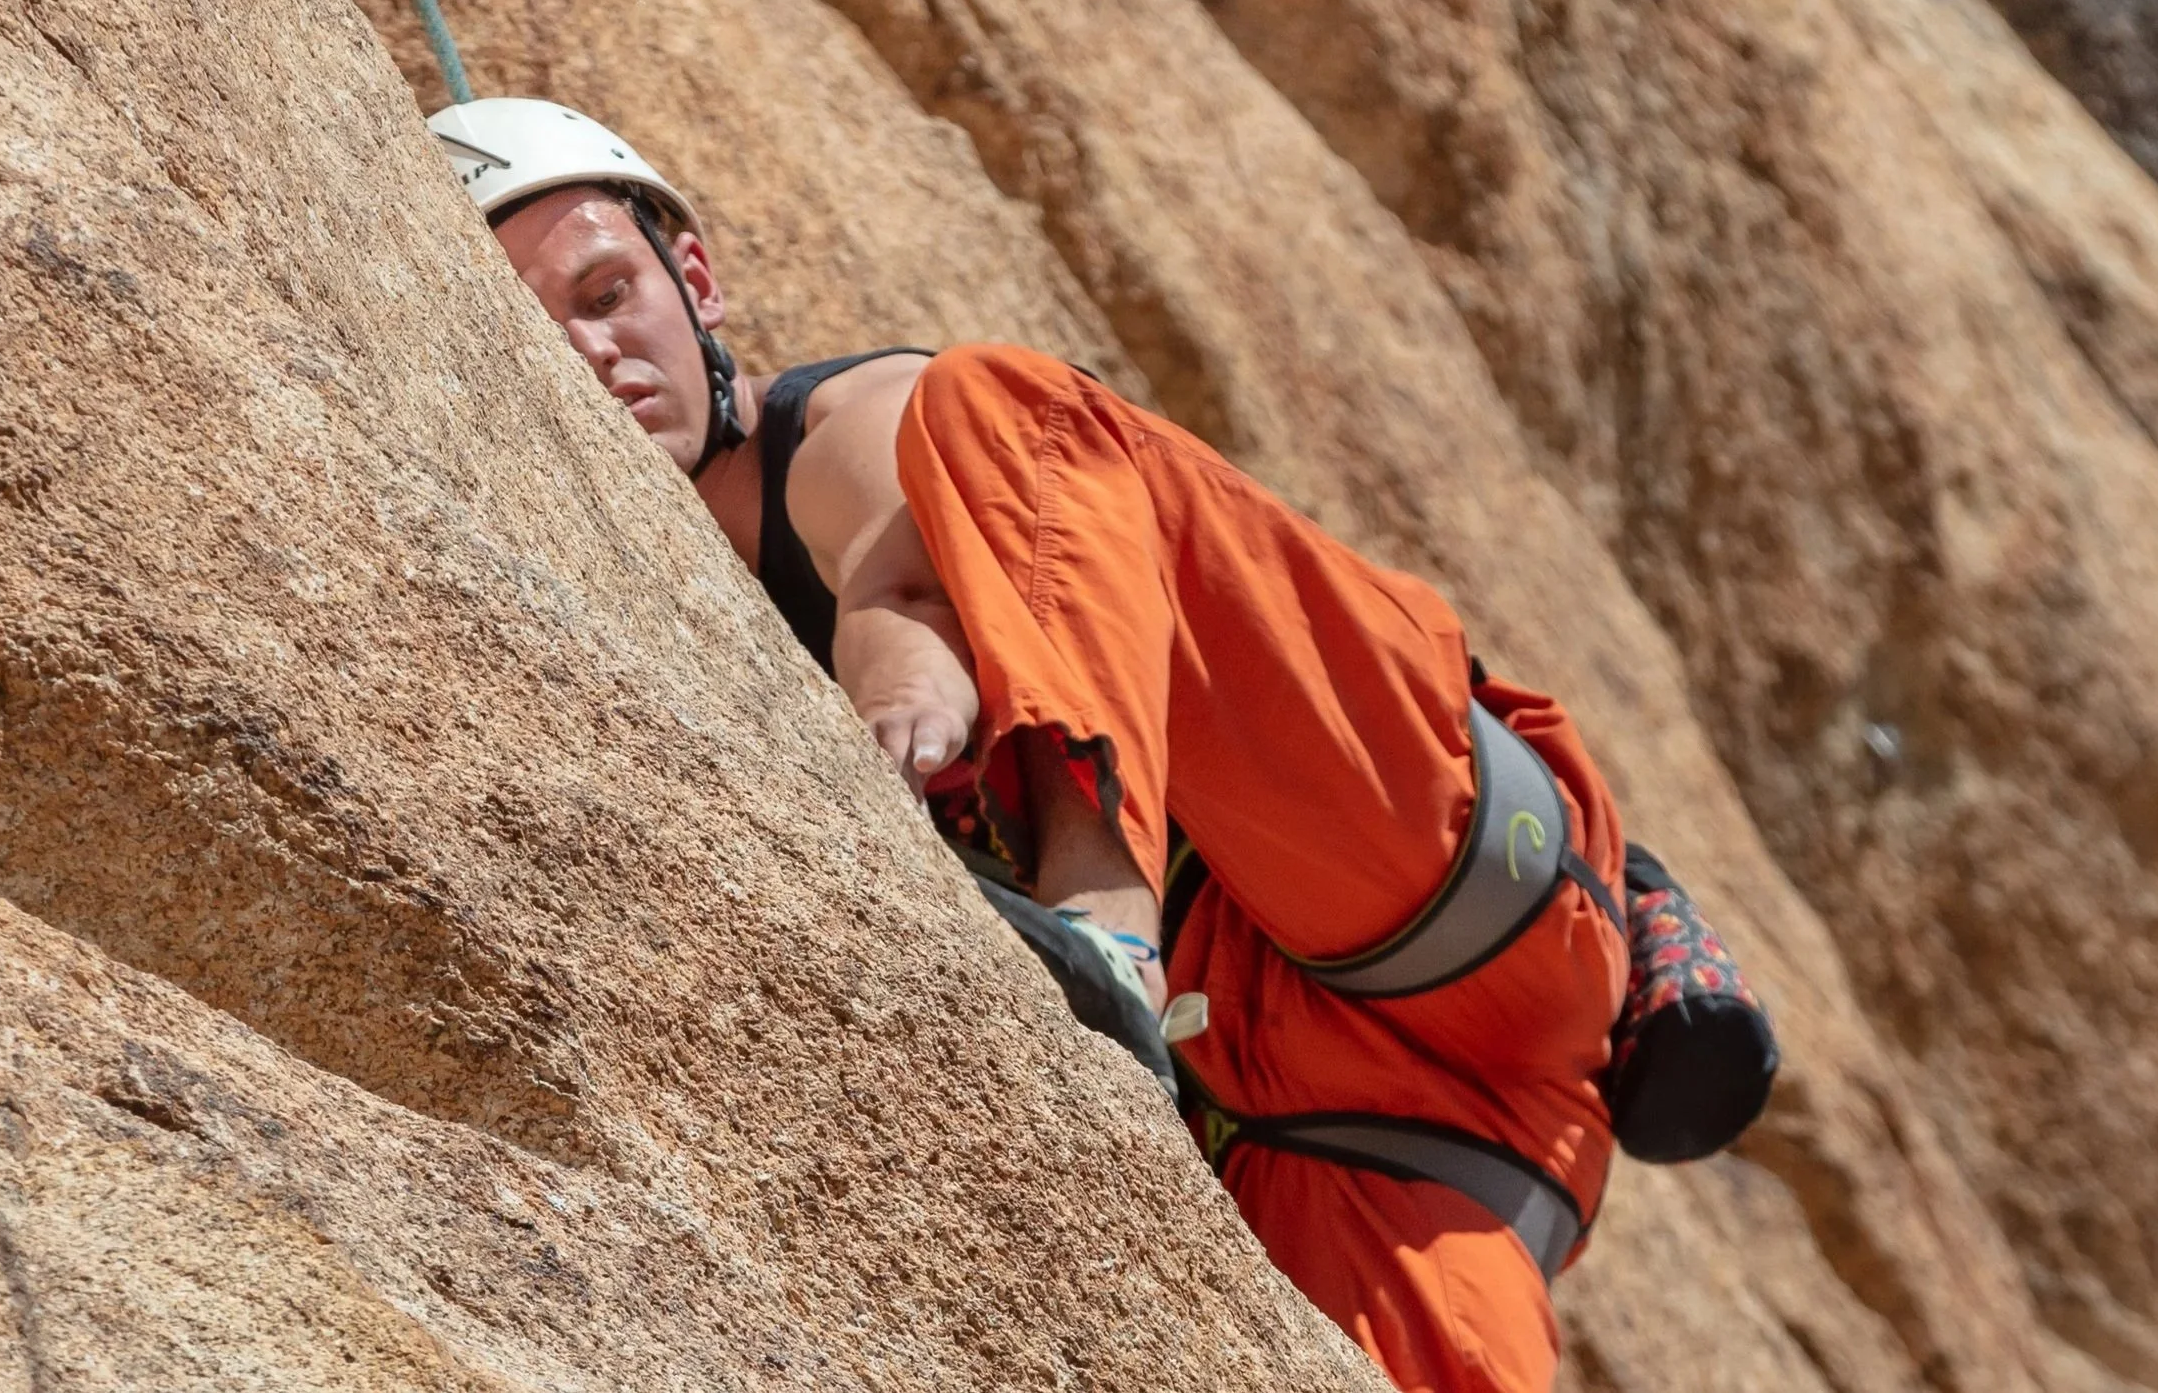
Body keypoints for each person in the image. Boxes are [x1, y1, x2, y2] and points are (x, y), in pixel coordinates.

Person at [431, 97, 1631, 1393]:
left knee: (1001, 404)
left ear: (697, 277)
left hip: (1419, 864)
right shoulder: (655, 617)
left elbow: (905, 570)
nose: (595, 350)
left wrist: (903, 711)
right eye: (537, 333)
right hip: (1382, 1130)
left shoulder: (851, 424)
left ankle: (1102, 919)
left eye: (609, 289)